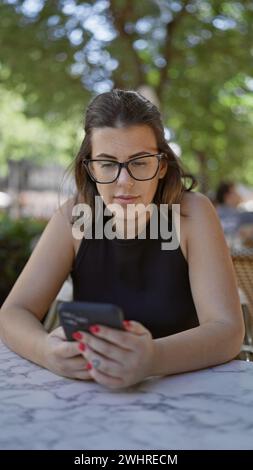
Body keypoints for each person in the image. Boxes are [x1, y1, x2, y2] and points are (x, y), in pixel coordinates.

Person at [0, 89, 244, 390]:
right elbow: (13, 312)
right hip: (94, 395)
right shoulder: (75, 217)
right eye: (107, 163)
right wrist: (45, 351)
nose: (123, 182)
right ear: (89, 168)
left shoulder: (193, 214)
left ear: (161, 165)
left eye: (140, 162)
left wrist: (152, 357)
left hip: (183, 390)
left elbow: (228, 330)